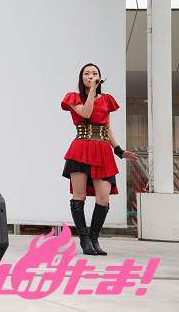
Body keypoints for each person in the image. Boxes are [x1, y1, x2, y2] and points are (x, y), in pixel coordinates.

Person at [61, 63, 137, 256]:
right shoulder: (73, 98)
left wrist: (119, 151)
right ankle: (84, 239)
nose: (91, 76)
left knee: (103, 198)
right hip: (81, 148)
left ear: (100, 77)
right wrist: (92, 92)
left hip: (102, 149)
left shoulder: (107, 100)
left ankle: (94, 238)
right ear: (82, 78)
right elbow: (86, 114)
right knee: (79, 196)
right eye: (87, 73)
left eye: (94, 73)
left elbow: (107, 128)